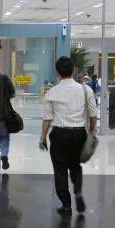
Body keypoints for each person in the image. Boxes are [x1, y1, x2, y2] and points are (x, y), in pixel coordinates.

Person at [40, 56, 98, 218]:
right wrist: (91, 131)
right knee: (75, 166)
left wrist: (43, 138)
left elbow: (47, 119)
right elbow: (93, 115)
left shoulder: (52, 92)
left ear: (57, 72)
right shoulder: (86, 90)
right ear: (73, 70)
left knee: (60, 171)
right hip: (78, 134)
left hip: (59, 134)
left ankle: (66, 205)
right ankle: (78, 192)